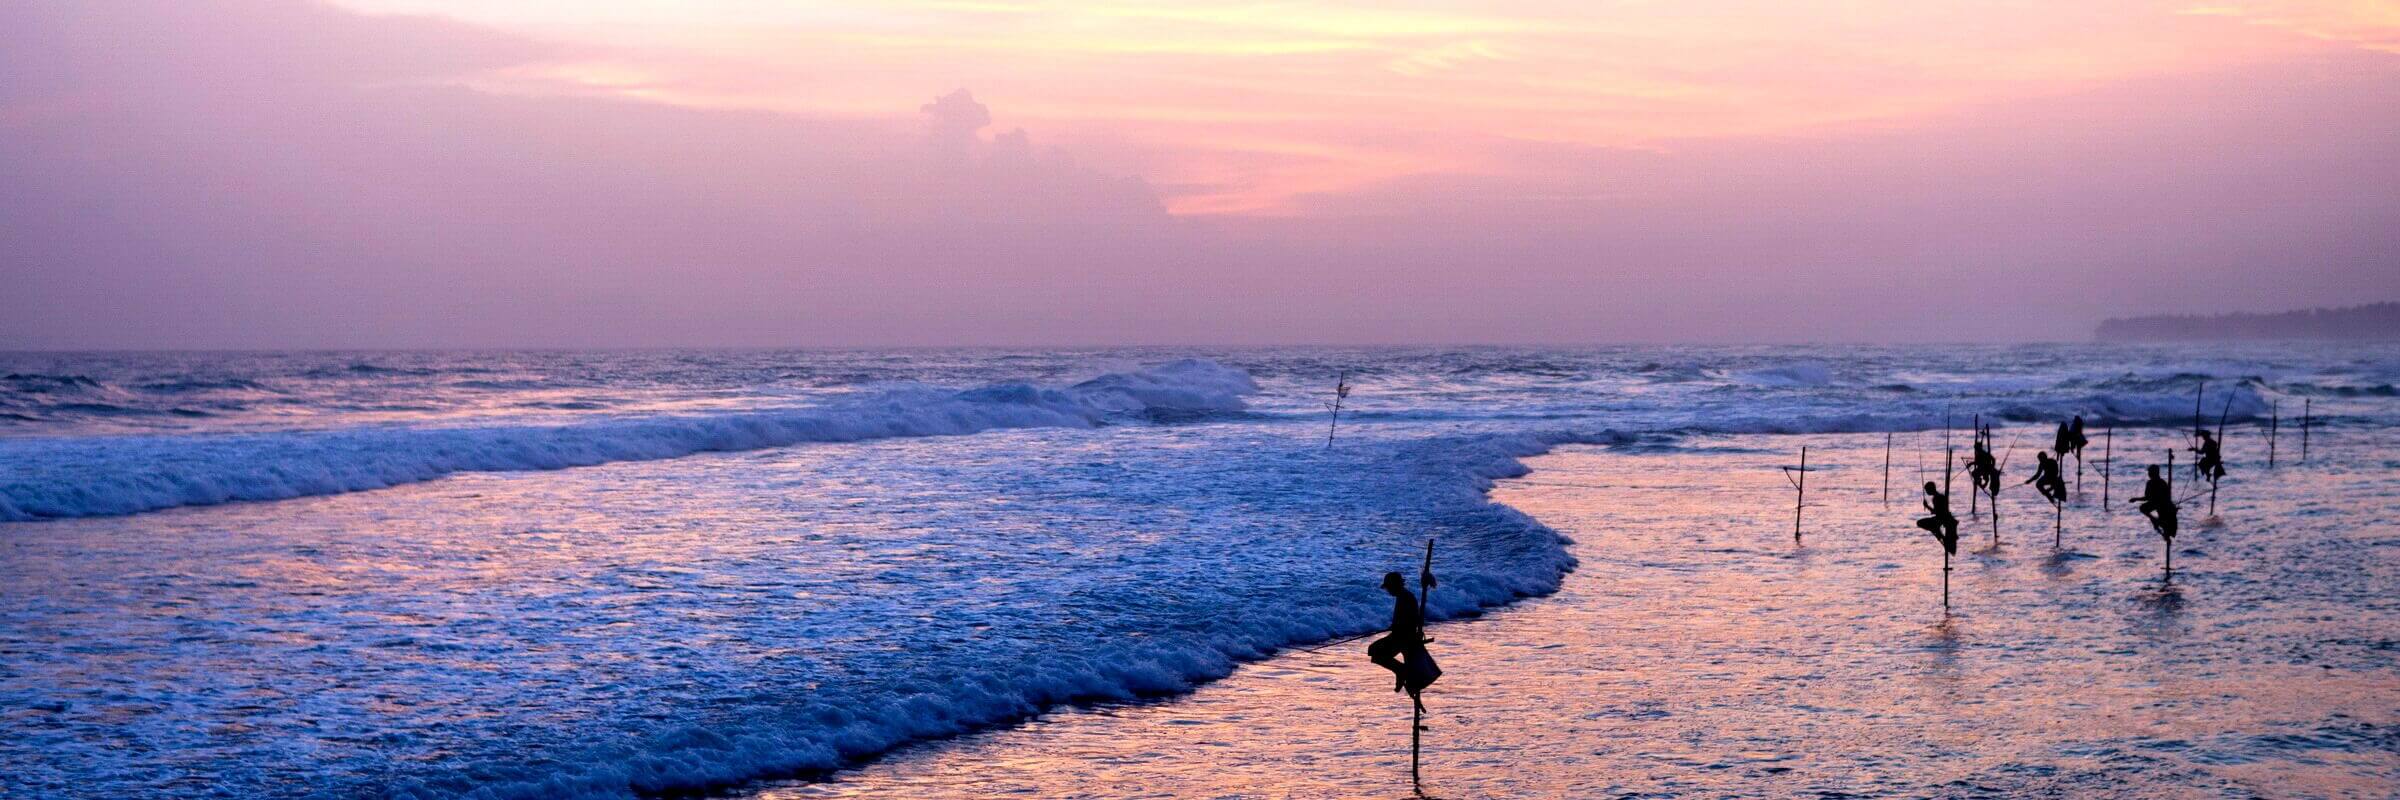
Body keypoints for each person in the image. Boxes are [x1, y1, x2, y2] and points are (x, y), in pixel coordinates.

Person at [1367, 572, 1425, 694]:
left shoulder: (1405, 597)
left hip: (1404, 637)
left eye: (1388, 587)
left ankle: (1401, 671)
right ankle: (1400, 671)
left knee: (1375, 652)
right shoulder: (1403, 596)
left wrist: (1395, 627)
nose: (1388, 590)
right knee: (1373, 651)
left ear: (1394, 585)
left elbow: (1409, 620)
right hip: (1401, 634)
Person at [2130, 464, 2178, 541]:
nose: (2148, 474)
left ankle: (2156, 521)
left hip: (2162, 506)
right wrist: (2136, 499)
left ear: (2154, 473)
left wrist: (2135, 499)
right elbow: (2147, 498)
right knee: (2143, 508)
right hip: (2158, 505)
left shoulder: (2158, 483)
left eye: (2149, 472)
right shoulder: (2159, 482)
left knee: (2144, 509)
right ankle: (2155, 520)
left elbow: (2148, 498)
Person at [1915, 481, 1959, 555]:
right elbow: (1938, 511)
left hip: (1942, 519)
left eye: (1927, 490)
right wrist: (1928, 507)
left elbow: (1938, 512)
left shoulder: (1936, 498)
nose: (1926, 492)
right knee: (1923, 523)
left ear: (1930, 490)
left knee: (1920, 523)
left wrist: (1927, 506)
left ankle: (1938, 532)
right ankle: (1938, 532)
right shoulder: (1939, 496)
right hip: (1942, 518)